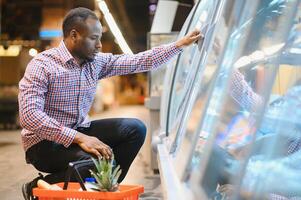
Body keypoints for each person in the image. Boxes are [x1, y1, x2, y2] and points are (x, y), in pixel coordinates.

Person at [18, 7, 201, 200]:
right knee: (97, 163)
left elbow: (138, 61)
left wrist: (179, 45)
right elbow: (30, 116)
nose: (99, 45)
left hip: (78, 129)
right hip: (43, 144)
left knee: (135, 129)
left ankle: (102, 190)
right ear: (74, 35)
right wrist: (79, 138)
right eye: (93, 38)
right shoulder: (42, 65)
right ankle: (38, 187)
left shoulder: (95, 62)